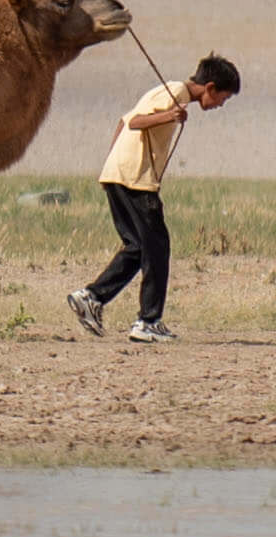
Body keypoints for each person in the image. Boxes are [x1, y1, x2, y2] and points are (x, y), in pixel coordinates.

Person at [64, 55, 242, 340]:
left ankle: (92, 297)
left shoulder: (172, 93)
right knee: (157, 247)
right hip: (136, 180)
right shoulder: (173, 93)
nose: (221, 105)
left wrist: (111, 165)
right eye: (223, 98)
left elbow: (121, 123)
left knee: (138, 247)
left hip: (119, 175)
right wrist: (169, 116)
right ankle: (148, 321)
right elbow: (135, 122)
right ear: (209, 87)